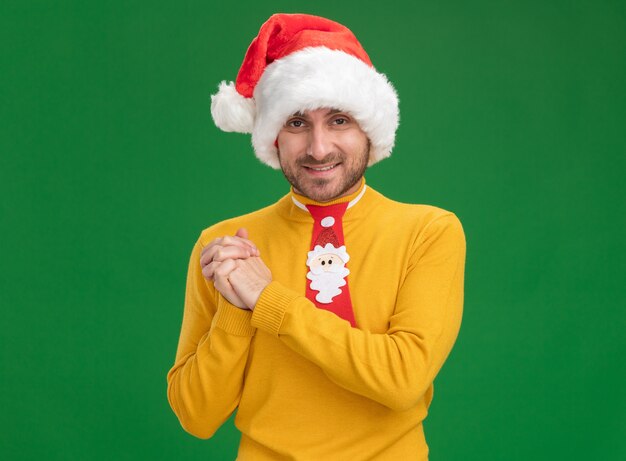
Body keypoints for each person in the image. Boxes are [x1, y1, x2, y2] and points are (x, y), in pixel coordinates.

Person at [167, 13, 466, 461]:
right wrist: (233, 308)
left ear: (370, 128)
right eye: (296, 122)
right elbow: (196, 415)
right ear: (272, 138)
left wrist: (267, 300)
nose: (319, 148)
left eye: (339, 120)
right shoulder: (226, 246)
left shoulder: (429, 232)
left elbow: (402, 380)